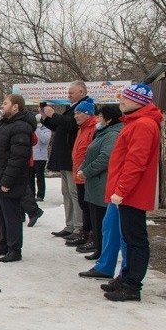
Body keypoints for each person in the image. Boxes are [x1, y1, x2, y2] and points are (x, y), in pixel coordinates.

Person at [103, 83, 164, 302]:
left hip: (132, 193)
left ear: (139, 102)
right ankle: (126, 277)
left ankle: (132, 285)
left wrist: (122, 189)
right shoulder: (136, 122)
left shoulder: (144, 124)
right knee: (129, 238)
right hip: (128, 192)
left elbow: (136, 162)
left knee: (135, 239)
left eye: (127, 98)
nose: (122, 101)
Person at [0, 94, 36, 262]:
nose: (1, 106)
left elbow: (18, 157)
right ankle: (3, 244)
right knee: (1, 214)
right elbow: (0, 149)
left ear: (15, 107)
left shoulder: (21, 126)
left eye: (5, 103)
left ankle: (14, 249)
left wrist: (7, 181)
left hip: (9, 179)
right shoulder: (6, 124)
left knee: (11, 215)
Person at [78, 104, 125, 280]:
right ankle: (100, 251)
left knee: (102, 220)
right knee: (98, 219)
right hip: (95, 182)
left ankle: (103, 255)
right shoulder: (104, 132)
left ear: (109, 119)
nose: (97, 119)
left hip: (102, 182)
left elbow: (105, 157)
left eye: (100, 116)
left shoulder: (112, 134)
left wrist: (87, 170)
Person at [40, 81, 89, 238]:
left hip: (73, 156)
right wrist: (46, 118)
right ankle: (70, 224)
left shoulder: (85, 106)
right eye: (68, 93)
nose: (68, 96)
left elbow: (71, 125)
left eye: (71, 93)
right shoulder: (71, 108)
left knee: (74, 192)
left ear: (81, 91)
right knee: (66, 192)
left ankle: (79, 226)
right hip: (64, 156)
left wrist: (53, 115)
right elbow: (60, 126)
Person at [68, 98, 98, 252]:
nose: (75, 116)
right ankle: (85, 232)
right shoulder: (82, 128)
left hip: (87, 173)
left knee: (88, 206)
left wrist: (84, 169)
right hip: (78, 172)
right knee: (82, 203)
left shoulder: (94, 128)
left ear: (87, 114)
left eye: (78, 113)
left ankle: (92, 235)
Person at [32, 102, 52, 201]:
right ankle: (31, 193)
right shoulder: (33, 129)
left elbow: (44, 140)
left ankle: (40, 195)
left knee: (40, 177)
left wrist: (38, 129)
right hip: (32, 156)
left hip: (41, 156)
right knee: (30, 176)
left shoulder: (47, 129)